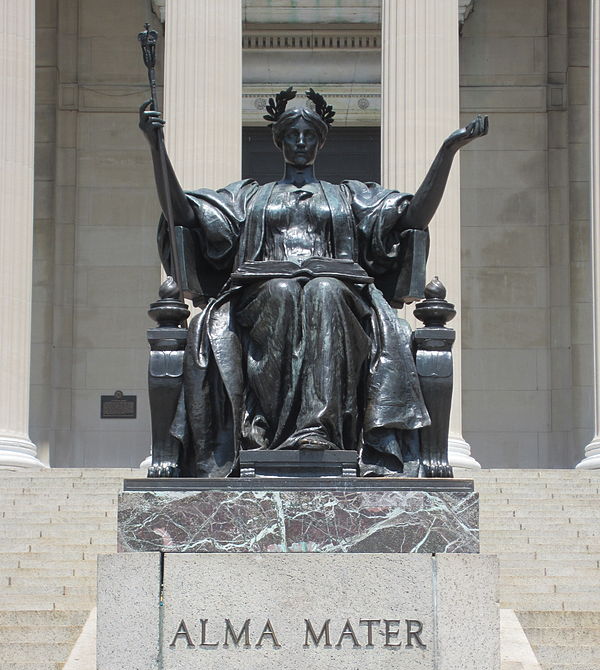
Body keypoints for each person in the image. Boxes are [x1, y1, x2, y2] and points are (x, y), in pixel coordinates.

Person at [139, 87, 488, 477]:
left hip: (340, 296)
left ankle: (316, 430)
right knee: (283, 292)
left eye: (308, 135)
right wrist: (157, 148)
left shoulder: (349, 196)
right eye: (292, 135)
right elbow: (184, 213)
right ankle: (266, 432)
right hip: (262, 294)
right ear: (279, 141)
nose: (301, 142)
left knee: (324, 291)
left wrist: (447, 153)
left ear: (321, 142)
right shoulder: (250, 197)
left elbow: (412, 218)